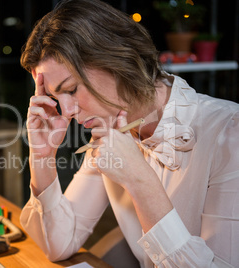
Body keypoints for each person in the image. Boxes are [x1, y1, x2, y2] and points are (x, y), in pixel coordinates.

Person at [18, 0, 239, 267]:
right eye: (55, 96)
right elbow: (59, 245)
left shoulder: (229, 131)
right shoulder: (110, 133)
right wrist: (41, 156)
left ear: (114, 59)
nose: (65, 111)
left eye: (72, 89)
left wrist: (139, 181)